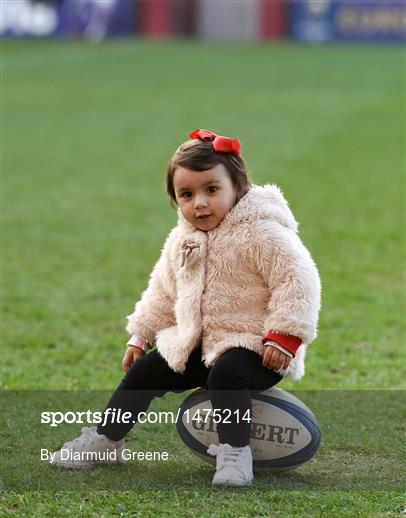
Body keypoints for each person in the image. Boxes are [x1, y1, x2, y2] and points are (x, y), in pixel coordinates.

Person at [49, 128, 321, 487]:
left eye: (212, 189)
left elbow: (298, 280)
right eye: (186, 194)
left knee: (227, 373)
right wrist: (141, 335)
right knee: (145, 371)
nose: (200, 203)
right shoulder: (182, 240)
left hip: (257, 348)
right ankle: (106, 439)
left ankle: (235, 453)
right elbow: (163, 290)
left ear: (237, 186)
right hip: (198, 344)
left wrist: (284, 337)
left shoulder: (263, 233)